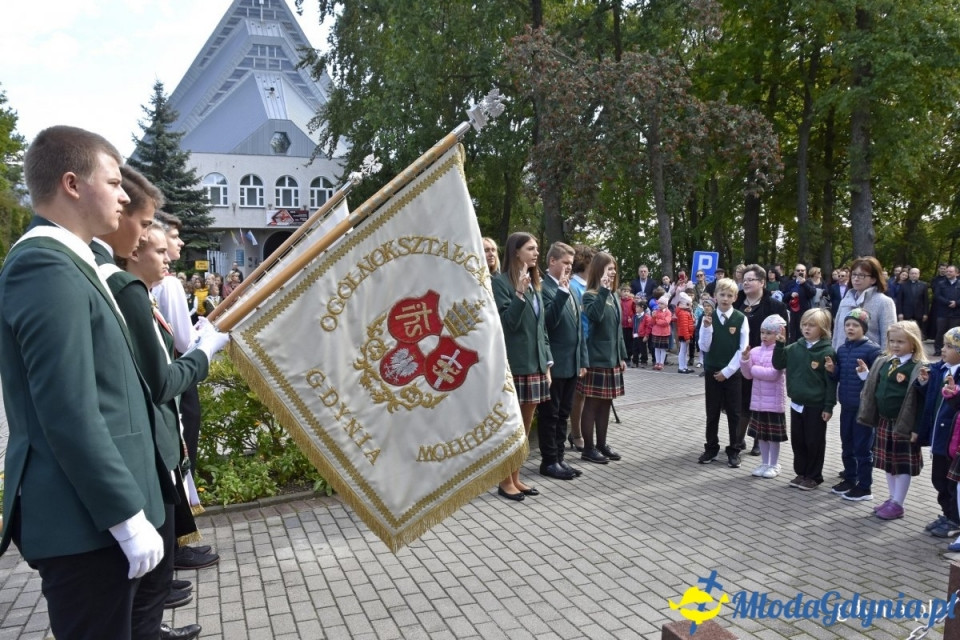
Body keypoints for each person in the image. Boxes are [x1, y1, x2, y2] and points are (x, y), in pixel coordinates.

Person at [0, 125, 166, 639]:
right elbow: (69, 411)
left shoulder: (74, 259)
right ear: (72, 184)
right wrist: (125, 517)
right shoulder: (43, 264)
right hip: (87, 526)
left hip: (99, 521)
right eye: (114, 182)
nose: (123, 194)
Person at [101, 221, 227, 640]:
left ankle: (153, 629)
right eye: (159, 250)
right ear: (134, 251)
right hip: (147, 449)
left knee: (154, 580)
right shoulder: (129, 295)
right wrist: (204, 353)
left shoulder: (145, 295)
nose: (171, 258)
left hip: (160, 443)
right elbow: (162, 380)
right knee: (145, 580)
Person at [152, 212, 222, 572]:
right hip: (178, 380)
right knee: (180, 459)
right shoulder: (167, 286)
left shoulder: (158, 284)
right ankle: (176, 547)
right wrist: (205, 341)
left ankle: (172, 550)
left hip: (172, 376)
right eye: (174, 238)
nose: (177, 245)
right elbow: (182, 340)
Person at [492, 232, 551, 501]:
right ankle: (505, 481)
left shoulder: (535, 284)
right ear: (516, 252)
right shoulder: (500, 283)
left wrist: (546, 363)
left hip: (535, 364)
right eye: (530, 248)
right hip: (515, 364)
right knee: (511, 426)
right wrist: (519, 293)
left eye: (537, 248)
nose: (536, 252)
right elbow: (507, 324)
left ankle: (516, 477)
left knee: (525, 427)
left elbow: (542, 329)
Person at [857, 321, 927, 519]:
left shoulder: (917, 367)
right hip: (884, 421)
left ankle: (898, 503)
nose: (895, 345)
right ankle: (891, 497)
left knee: (901, 464)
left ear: (913, 343)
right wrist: (865, 375)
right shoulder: (886, 362)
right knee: (888, 463)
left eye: (901, 342)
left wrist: (916, 427)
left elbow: (921, 401)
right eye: (892, 341)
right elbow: (874, 385)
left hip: (903, 423)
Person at [772, 308, 837, 490]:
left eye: (812, 325)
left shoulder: (827, 351)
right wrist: (779, 345)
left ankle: (814, 476)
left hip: (815, 405)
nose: (807, 328)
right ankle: (801, 473)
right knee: (798, 440)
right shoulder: (795, 347)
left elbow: (830, 382)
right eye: (804, 325)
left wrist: (828, 406)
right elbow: (778, 364)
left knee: (814, 441)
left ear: (823, 328)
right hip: (797, 403)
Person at [537, 242, 587, 481]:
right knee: (551, 414)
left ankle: (559, 458)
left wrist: (582, 361)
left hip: (571, 364)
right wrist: (561, 294)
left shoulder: (573, 290)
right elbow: (548, 322)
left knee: (564, 412)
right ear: (552, 262)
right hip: (554, 364)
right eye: (565, 263)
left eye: (571, 263)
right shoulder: (543, 287)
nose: (569, 267)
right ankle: (549, 461)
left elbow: (579, 329)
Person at [824, 308, 882, 502]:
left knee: (863, 449)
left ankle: (865, 487)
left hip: (863, 409)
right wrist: (833, 370)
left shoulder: (873, 350)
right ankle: (850, 479)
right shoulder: (842, 348)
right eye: (847, 324)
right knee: (847, 445)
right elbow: (841, 375)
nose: (850, 328)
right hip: (847, 406)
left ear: (864, 328)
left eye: (855, 325)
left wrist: (866, 374)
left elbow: (877, 381)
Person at [578, 252, 628, 464]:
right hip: (597, 357)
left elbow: (617, 330)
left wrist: (623, 355)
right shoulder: (590, 294)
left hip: (612, 358)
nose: (613, 272)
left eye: (614, 268)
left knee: (606, 403)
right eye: (609, 268)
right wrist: (603, 292)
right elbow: (596, 317)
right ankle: (588, 448)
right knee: (592, 403)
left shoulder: (614, 296)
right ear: (599, 270)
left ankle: (602, 444)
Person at [734, 264, 788, 456]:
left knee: (759, 403)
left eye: (751, 280)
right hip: (740, 361)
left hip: (764, 362)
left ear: (762, 282)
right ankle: (737, 441)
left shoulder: (775, 306)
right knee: (740, 403)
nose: (746, 283)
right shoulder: (736, 302)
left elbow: (783, 337)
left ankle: (758, 441)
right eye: (744, 279)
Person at [697, 278, 749, 467]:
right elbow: (704, 346)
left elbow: (743, 349)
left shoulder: (740, 318)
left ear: (735, 297)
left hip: (731, 373)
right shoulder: (707, 317)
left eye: (729, 295)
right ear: (715, 296)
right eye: (722, 295)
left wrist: (727, 372)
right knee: (712, 413)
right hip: (712, 371)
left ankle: (734, 450)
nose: (725, 299)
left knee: (734, 413)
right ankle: (711, 448)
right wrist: (707, 327)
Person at [916, 327, 960, 537]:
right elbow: (930, 397)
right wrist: (924, 381)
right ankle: (947, 513)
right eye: (944, 344)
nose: (943, 349)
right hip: (938, 436)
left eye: (950, 346)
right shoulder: (941, 369)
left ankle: (955, 520)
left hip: (953, 441)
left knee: (952, 483)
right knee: (938, 479)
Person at [740, 315, 788, 478]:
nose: (764, 336)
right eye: (762, 332)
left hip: (774, 402)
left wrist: (755, 370)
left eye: (769, 333)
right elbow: (747, 375)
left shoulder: (780, 352)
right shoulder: (754, 351)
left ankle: (774, 464)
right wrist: (745, 359)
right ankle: (764, 463)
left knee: (773, 437)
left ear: (777, 334)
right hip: (758, 401)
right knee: (761, 435)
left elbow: (774, 374)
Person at [832, 257, 897, 351]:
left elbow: (888, 338)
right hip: (842, 360)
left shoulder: (884, 302)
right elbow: (836, 334)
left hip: (870, 362)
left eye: (861, 275)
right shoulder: (845, 301)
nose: (856, 279)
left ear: (873, 279)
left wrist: (883, 363)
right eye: (854, 274)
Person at [567, 244, 595, 453]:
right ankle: (575, 433)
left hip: (592, 346)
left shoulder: (588, 286)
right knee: (579, 394)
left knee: (588, 394)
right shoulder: (574, 287)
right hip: (580, 346)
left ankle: (585, 433)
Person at [780, 263, 816, 343]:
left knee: (803, 332)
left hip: (804, 312)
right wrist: (790, 294)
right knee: (792, 333)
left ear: (805, 272)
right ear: (795, 272)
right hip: (791, 312)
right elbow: (783, 297)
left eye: (802, 270)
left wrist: (804, 283)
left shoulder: (808, 282)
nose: (800, 272)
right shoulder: (790, 283)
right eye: (798, 270)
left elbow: (812, 293)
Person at [934, 265, 960, 357]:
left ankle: (954, 351)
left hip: (956, 313)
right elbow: (937, 296)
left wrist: (956, 303)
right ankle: (938, 350)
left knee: (953, 333)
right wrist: (948, 302)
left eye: (950, 271)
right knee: (940, 332)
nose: (948, 273)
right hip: (943, 312)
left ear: (957, 273)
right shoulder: (941, 283)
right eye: (947, 271)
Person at [896, 267, 929, 335]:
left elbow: (926, 300)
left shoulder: (924, 285)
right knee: (905, 332)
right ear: (909, 275)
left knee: (917, 332)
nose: (914, 275)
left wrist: (925, 313)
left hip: (919, 313)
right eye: (912, 273)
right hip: (906, 313)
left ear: (919, 274)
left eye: (915, 273)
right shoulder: (903, 285)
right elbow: (899, 300)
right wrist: (900, 313)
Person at [650, 294, 673, 371]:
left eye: (661, 303)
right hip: (656, 332)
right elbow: (652, 323)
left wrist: (657, 320)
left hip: (664, 333)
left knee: (662, 349)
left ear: (666, 304)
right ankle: (657, 362)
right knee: (656, 348)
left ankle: (661, 363)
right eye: (659, 303)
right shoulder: (656, 311)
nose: (659, 305)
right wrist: (653, 317)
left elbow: (666, 322)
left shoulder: (668, 312)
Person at [675, 292, 696, 374]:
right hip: (685, 335)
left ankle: (684, 366)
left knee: (684, 351)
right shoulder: (683, 313)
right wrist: (687, 337)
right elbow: (684, 326)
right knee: (683, 351)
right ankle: (681, 367)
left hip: (686, 334)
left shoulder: (685, 312)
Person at [619, 285, 636, 367]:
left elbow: (636, 312)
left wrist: (632, 319)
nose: (626, 293)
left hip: (630, 325)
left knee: (629, 342)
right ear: (621, 293)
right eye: (624, 291)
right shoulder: (619, 301)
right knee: (623, 341)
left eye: (628, 291)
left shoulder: (632, 302)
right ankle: (623, 357)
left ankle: (629, 357)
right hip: (621, 325)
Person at [634, 298, 652, 368]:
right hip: (636, 334)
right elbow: (634, 325)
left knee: (643, 349)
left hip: (642, 335)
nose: (636, 308)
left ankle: (644, 361)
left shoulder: (646, 317)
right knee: (635, 348)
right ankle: (635, 361)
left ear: (642, 308)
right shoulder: (635, 316)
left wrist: (646, 335)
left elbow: (648, 327)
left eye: (637, 307)